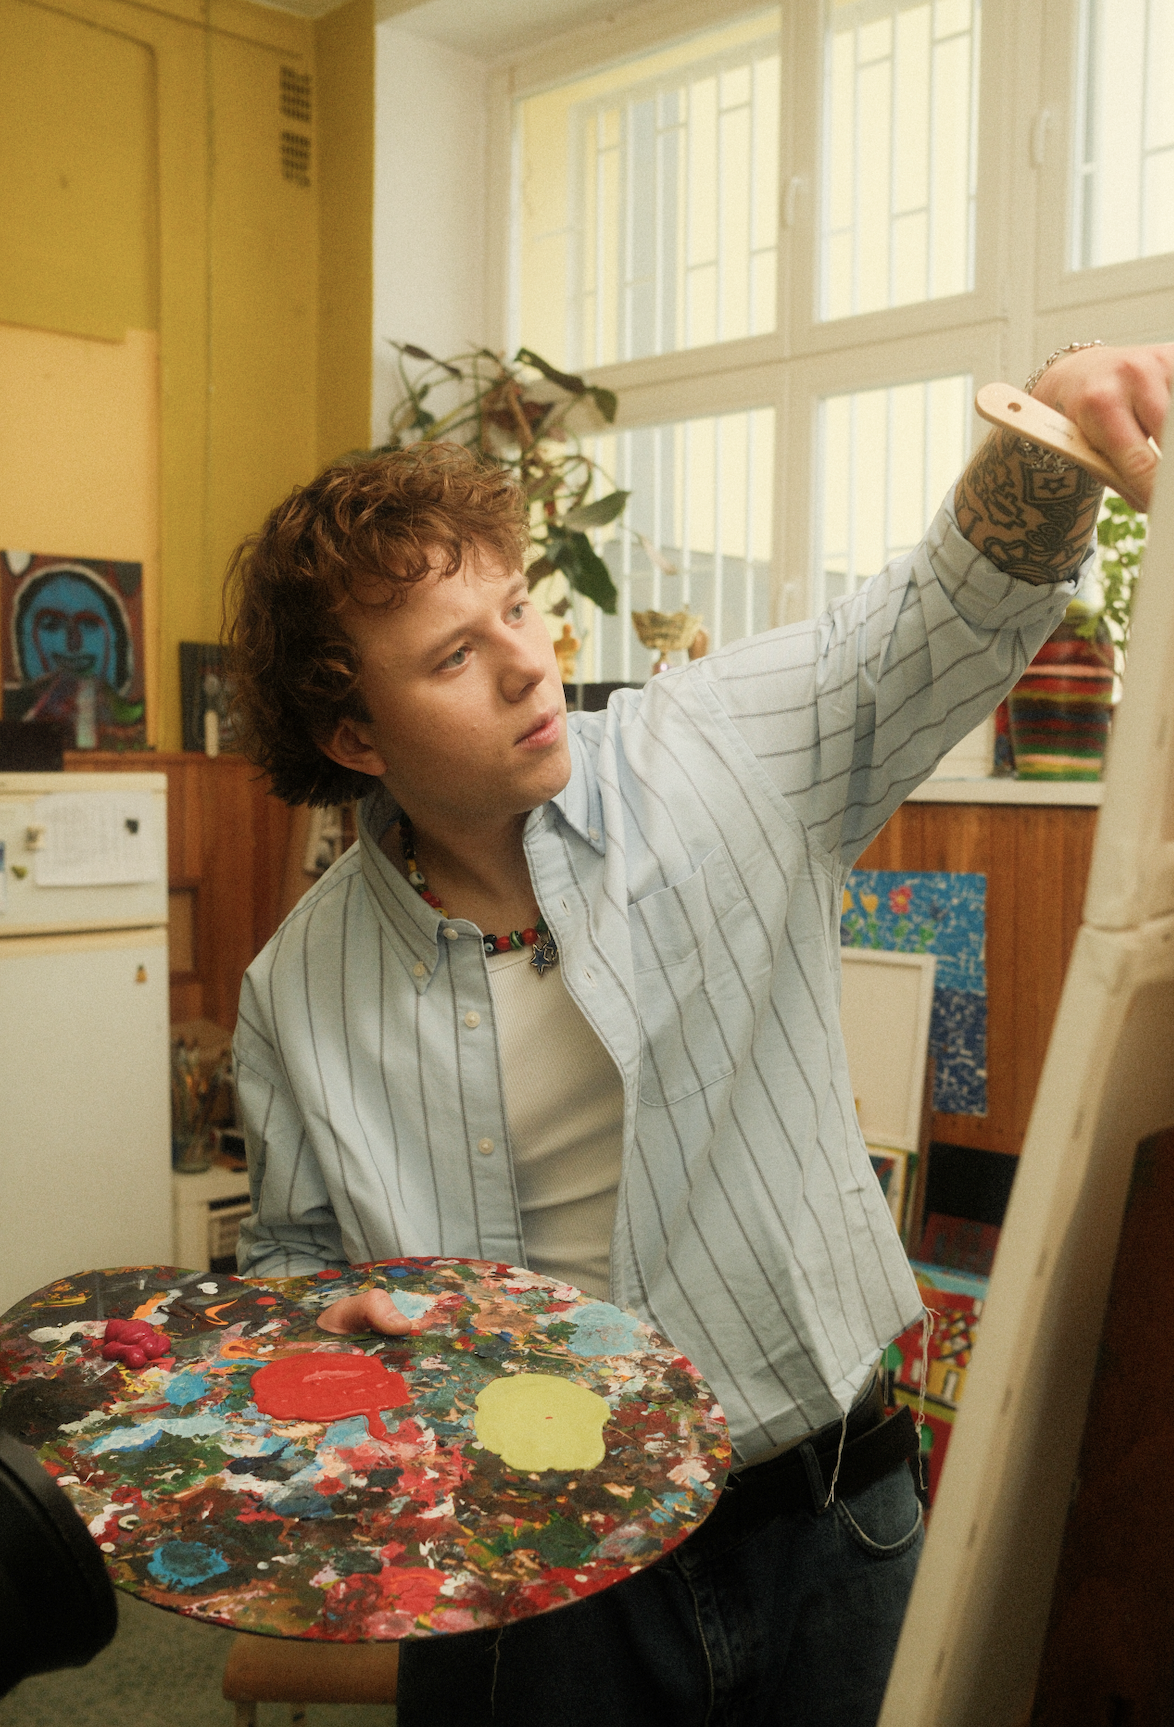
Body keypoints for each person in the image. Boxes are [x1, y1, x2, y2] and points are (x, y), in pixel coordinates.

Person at [225, 341, 1171, 1726]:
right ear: (357, 737)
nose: (527, 663)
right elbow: (291, 1265)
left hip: (824, 1524)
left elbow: (940, 608)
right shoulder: (293, 990)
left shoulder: (720, 752)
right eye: (453, 653)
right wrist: (329, 1322)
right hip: (525, 1582)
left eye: (516, 607)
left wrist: (1055, 419)